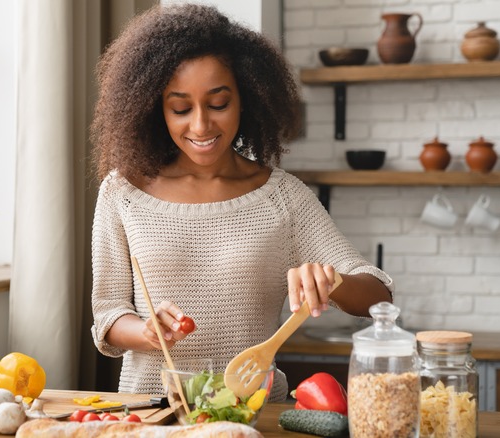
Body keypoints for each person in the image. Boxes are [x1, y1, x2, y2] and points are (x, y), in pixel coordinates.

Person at [89, 3, 393, 402]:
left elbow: (379, 295)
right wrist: (146, 331)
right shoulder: (123, 191)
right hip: (152, 413)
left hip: (255, 413)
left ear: (247, 97)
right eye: (180, 108)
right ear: (154, 107)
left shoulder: (282, 197)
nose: (200, 126)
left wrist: (332, 280)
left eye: (218, 104)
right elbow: (107, 317)